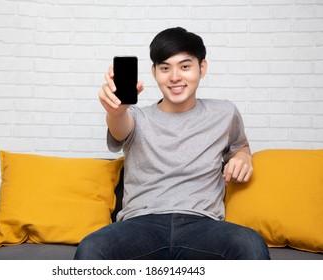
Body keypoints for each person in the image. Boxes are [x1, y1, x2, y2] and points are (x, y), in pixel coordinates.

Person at [75, 27, 270, 260]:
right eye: (165, 68)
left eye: (185, 66)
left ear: (202, 68)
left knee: (249, 243)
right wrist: (116, 112)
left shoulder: (224, 113)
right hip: (140, 225)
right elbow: (120, 127)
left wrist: (243, 156)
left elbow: (239, 146)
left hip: (202, 225)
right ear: (154, 72)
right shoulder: (136, 117)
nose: (175, 77)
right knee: (92, 248)